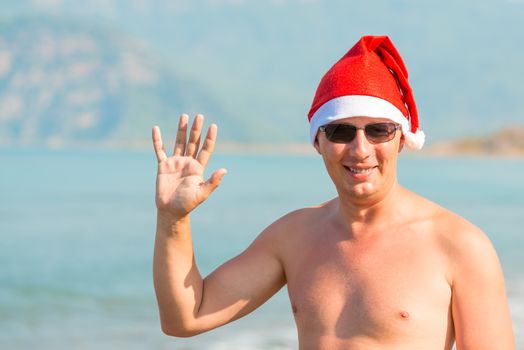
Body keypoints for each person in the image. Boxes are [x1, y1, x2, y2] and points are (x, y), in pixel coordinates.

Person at [152, 35, 515, 349]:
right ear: (318, 142)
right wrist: (172, 220)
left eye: (378, 130)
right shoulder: (293, 236)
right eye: (341, 132)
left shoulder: (458, 244)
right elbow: (186, 317)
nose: (360, 149)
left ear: (401, 140)